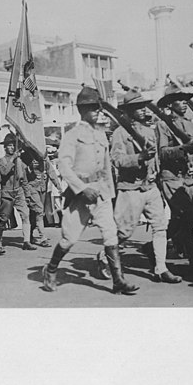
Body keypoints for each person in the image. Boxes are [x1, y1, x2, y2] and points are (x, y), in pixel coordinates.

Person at [41, 86, 139, 295]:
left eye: (98, 108)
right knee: (70, 238)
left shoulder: (101, 135)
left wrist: (110, 195)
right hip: (80, 195)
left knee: (110, 234)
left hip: (101, 192)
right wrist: (82, 188)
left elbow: (106, 168)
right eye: (92, 108)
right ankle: (50, 269)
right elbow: (64, 167)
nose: (97, 112)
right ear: (82, 110)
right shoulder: (72, 135)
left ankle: (118, 280)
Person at [107, 88, 181, 283]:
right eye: (137, 108)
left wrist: (156, 176)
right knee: (124, 231)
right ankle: (103, 257)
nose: (142, 110)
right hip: (130, 188)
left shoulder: (150, 131)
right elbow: (116, 160)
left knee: (160, 227)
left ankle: (161, 268)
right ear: (128, 111)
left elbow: (156, 158)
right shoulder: (120, 133)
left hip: (150, 186)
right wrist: (139, 157)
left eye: (142, 107)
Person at [155, 82, 193, 269]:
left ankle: (153, 247)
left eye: (184, 100)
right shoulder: (163, 125)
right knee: (186, 214)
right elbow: (163, 153)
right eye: (178, 100)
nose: (183, 103)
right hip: (171, 177)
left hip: (188, 179)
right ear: (169, 105)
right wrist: (183, 148)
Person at [0, 132, 35, 251]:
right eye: (9, 145)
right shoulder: (0, 160)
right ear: (5, 147)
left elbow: (24, 179)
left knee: (25, 215)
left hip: (18, 191)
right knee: (3, 218)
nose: (12, 147)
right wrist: (13, 159)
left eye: (14, 145)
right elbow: (4, 172)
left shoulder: (19, 161)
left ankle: (26, 241)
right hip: (7, 192)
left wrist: (27, 194)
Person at [22, 149, 60, 247]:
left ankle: (29, 236)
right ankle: (43, 238)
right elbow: (23, 174)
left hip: (42, 189)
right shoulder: (26, 157)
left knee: (36, 214)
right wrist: (30, 167)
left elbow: (52, 174)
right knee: (39, 211)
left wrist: (59, 186)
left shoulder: (45, 162)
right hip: (32, 189)